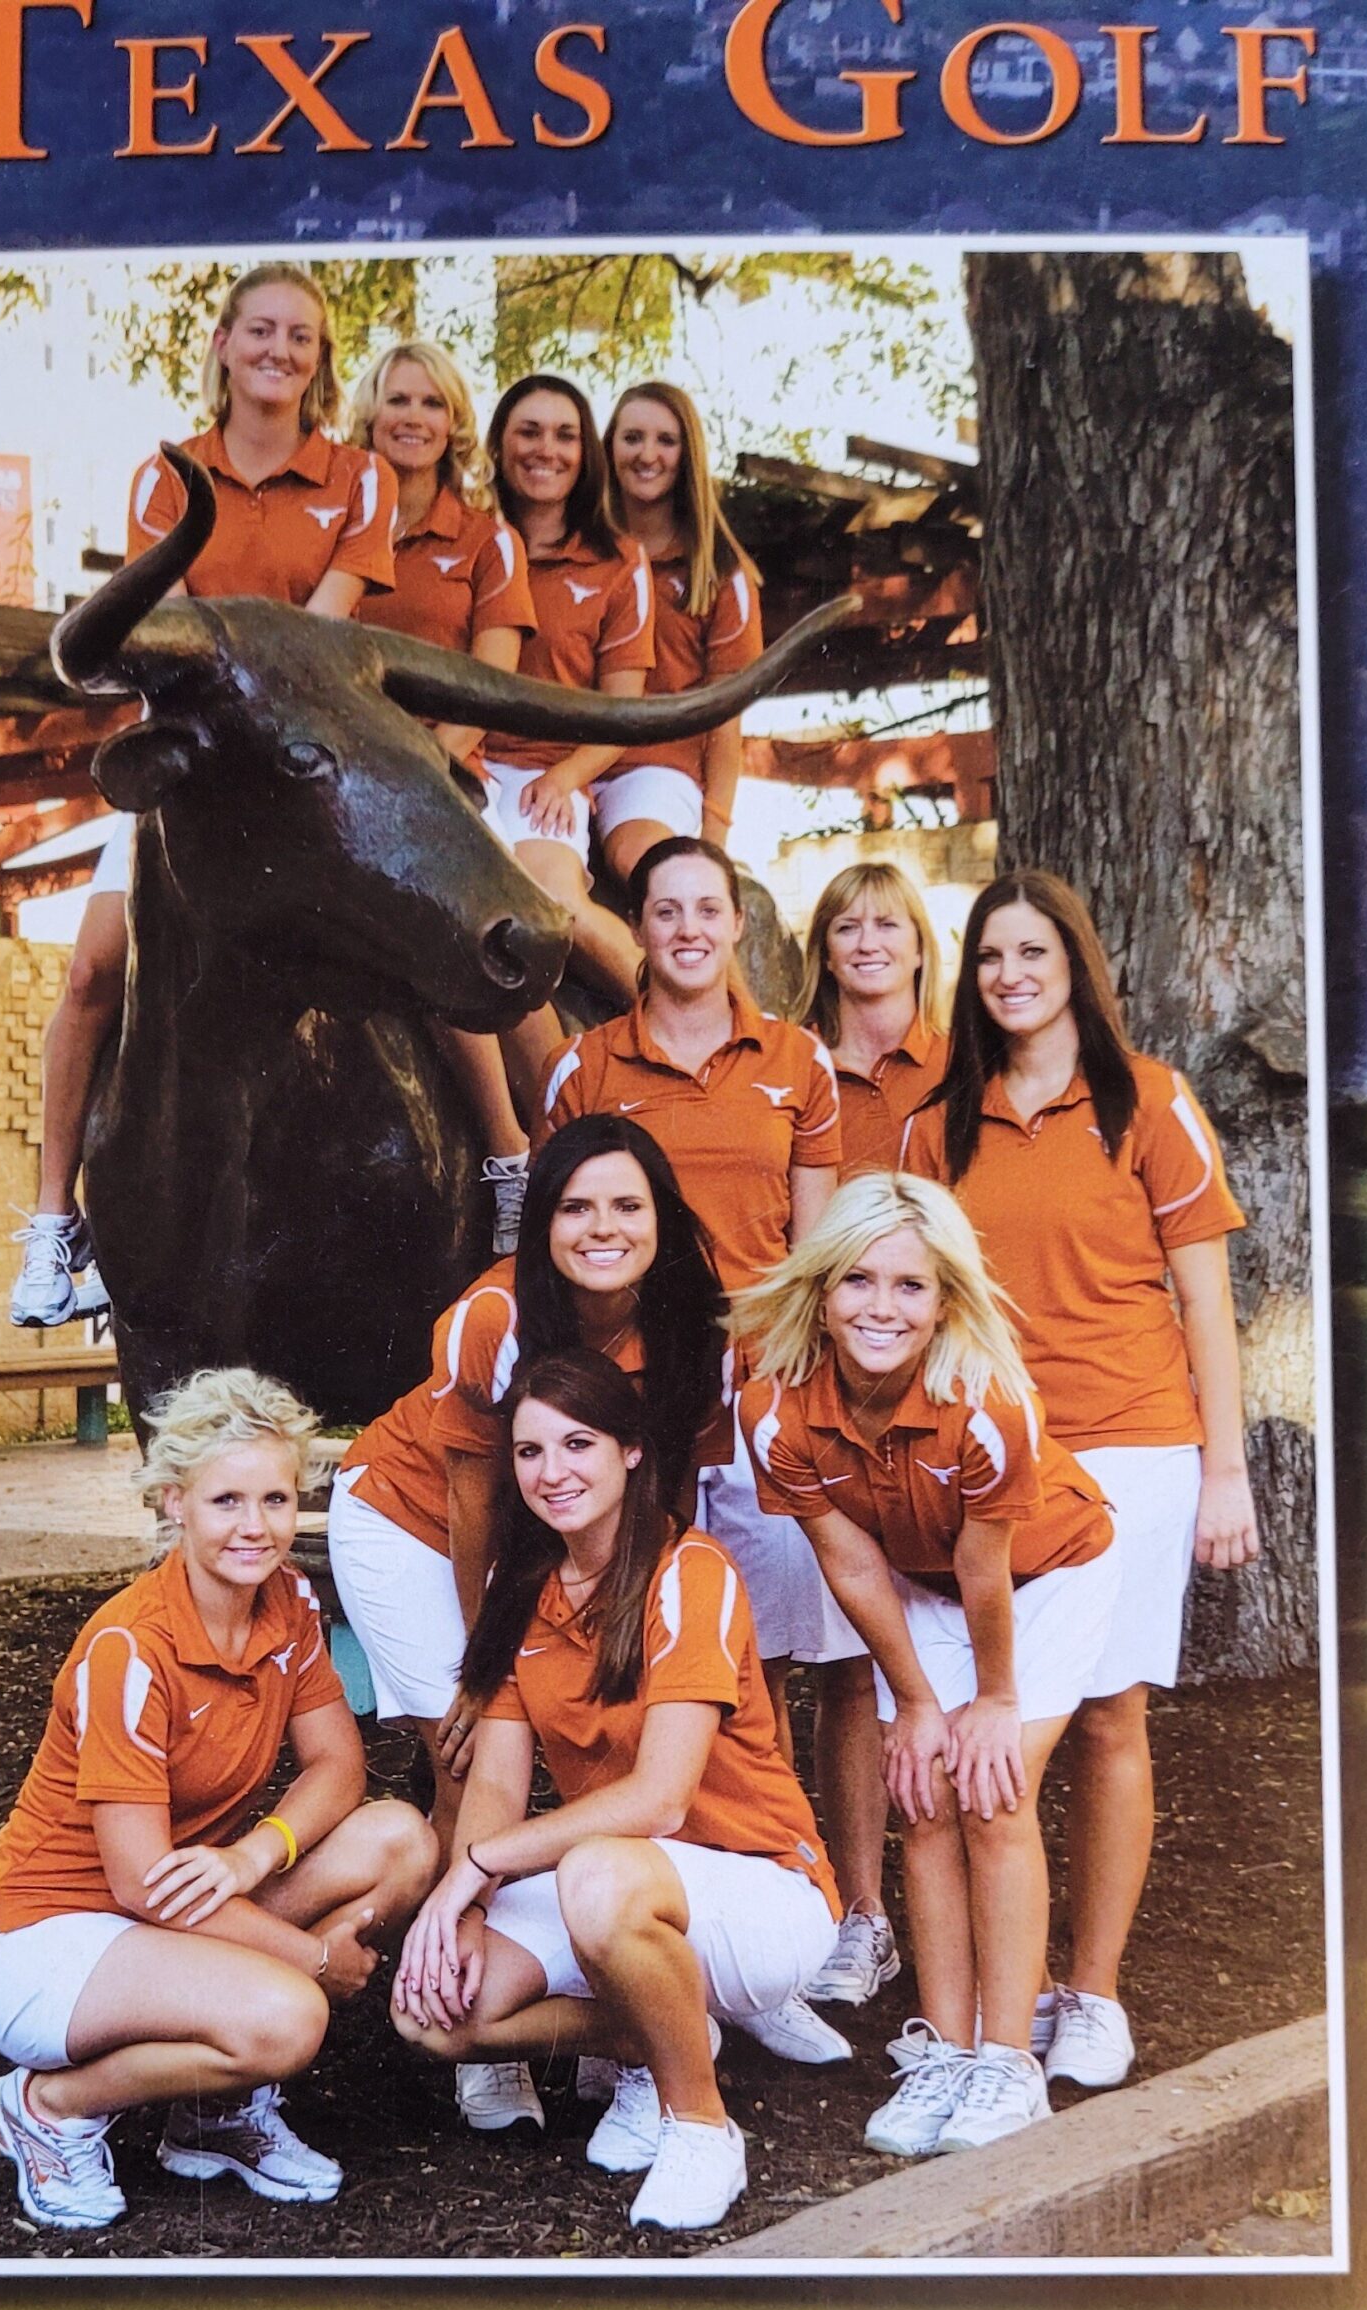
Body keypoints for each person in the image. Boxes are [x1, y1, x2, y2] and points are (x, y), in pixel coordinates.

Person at [902, 869, 1259, 2092]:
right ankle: (999, 1996)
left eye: (1031, 953)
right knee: (994, 1739)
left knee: (1106, 1713)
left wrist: (1226, 1472)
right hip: (991, 1456)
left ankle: (1088, 1989)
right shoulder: (936, 1121)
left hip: (1132, 1447)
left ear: (1074, 967)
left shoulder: (1148, 1101)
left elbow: (1206, 1302)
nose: (1009, 975)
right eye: (990, 957)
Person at [9, 262, 396, 1328]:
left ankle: (492, 1178)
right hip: (186, 761)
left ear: (319, 361)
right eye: (260, 330)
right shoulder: (167, 474)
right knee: (93, 964)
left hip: (309, 766)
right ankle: (52, 1228)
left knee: (412, 941)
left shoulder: (359, 478)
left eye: (301, 338)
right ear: (223, 343)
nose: (279, 350)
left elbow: (315, 641)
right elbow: (166, 637)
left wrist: (252, 678)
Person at [0, 1367, 437, 2232]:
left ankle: (214, 2113)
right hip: (52, 1935)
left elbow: (339, 1765)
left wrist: (254, 1854)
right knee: (291, 2019)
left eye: (276, 1500)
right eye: (226, 1502)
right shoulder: (128, 1649)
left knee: (401, 1839)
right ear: (174, 1503)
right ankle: (49, 2108)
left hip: (188, 1898)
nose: (256, 1528)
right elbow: (144, 1885)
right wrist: (314, 1962)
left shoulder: (287, 1600)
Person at [328, 1117, 728, 2131]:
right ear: (538, 1223)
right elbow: (472, 1507)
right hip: (413, 1526)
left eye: (625, 1205)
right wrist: (482, 1667)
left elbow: (661, 1470)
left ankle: (603, 1992)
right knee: (470, 1757)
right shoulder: (490, 1318)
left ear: (659, 1217)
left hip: (560, 1525)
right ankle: (471, 2015)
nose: (601, 1228)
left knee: (612, 1756)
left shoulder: (688, 1309)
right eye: (573, 1207)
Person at [391, 1351, 840, 2233]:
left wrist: (473, 1868)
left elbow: (661, 1800)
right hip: (623, 1886)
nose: (551, 1473)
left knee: (599, 1874)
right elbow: (498, 1785)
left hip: (759, 1894)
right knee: (435, 2012)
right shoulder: (520, 1595)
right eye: (528, 1452)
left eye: (577, 1444)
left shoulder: (690, 1571)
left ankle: (700, 2125)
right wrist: (469, 1911)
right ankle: (657, 2037)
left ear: (631, 1451)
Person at [538, 834, 858, 2070]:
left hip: (755, 1401)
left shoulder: (795, 1062)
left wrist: (787, 1389)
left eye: (705, 909)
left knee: (763, 1672)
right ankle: (669, 1930)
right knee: (646, 1667)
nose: (683, 929)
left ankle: (767, 1934)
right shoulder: (586, 1062)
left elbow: (816, 1254)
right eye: (660, 908)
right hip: (633, 1412)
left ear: (737, 927)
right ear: (640, 925)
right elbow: (561, 1233)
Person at [731, 1176, 1120, 2158]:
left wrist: (991, 1700)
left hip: (1048, 1579)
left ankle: (1007, 2064)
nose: (879, 1306)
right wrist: (910, 1701)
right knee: (922, 1793)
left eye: (909, 1286)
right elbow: (852, 1561)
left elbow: (987, 1569)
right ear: (818, 1291)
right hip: (920, 1582)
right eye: (855, 1279)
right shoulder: (773, 1409)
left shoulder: (987, 1403)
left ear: (944, 1299)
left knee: (990, 1791)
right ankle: (945, 2050)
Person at [791, 860, 950, 2010]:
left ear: (915, 943)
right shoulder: (796, 1065)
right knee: (848, 1657)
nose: (865, 941)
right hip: (828, 1376)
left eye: (885, 924)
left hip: (934, 1373)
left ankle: (962, 1901)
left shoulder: (957, 1063)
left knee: (945, 1653)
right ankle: (862, 1910)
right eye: (845, 926)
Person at [349, 339, 541, 1250]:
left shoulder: (487, 540)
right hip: (345, 777)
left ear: (454, 422)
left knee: (443, 925)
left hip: (446, 774)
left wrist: (426, 767)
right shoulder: (342, 521)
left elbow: (491, 680)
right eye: (398, 400)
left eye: (431, 403)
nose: (413, 417)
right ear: (370, 411)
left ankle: (510, 1153)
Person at [478, 373, 653, 1052]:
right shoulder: (471, 540)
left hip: (546, 774)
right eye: (528, 431)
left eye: (564, 434)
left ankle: (698, 1021)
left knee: (557, 910)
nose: (545, 450)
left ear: (586, 454)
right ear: (499, 445)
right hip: (463, 765)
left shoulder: (617, 560)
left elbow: (621, 708)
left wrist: (566, 777)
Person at [596, 381, 763, 885]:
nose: (647, 455)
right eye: (632, 438)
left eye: (665, 441)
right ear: (609, 448)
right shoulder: (577, 550)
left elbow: (725, 720)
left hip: (654, 773)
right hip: (555, 765)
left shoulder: (721, 575)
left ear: (687, 454)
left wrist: (714, 841)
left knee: (647, 868)